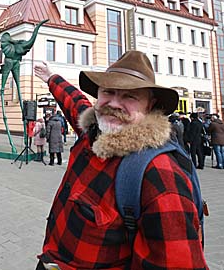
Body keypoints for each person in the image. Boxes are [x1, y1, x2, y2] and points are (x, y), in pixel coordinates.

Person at [34, 50, 207, 269]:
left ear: (150, 105)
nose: (114, 104)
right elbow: (75, 103)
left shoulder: (158, 173)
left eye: (129, 96)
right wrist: (51, 78)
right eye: (108, 92)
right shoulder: (95, 131)